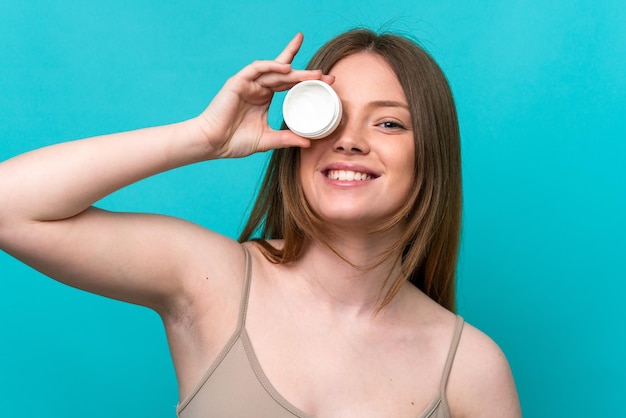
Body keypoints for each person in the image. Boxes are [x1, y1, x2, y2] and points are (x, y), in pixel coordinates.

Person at [0, 28, 521, 417]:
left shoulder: (471, 368)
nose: (350, 140)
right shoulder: (212, 280)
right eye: (332, 116)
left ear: (430, 155)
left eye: (388, 122)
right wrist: (203, 137)